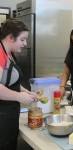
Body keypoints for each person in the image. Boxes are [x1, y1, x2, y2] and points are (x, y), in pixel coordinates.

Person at [0, 19, 37, 150]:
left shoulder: (9, 53)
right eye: (22, 39)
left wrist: (26, 92)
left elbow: (10, 82)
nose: (25, 43)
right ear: (10, 38)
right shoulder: (0, 53)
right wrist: (19, 97)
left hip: (10, 114)